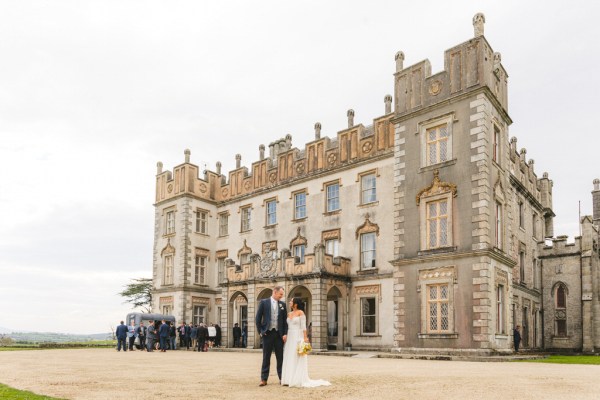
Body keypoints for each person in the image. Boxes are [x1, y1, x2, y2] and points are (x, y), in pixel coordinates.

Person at [281, 297, 330, 388]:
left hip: (297, 336)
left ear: (295, 303)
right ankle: (288, 379)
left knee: (297, 356)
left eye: (291, 301)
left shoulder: (301, 313)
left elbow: (303, 327)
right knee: (289, 356)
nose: (289, 302)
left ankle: (296, 379)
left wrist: (305, 337)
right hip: (290, 336)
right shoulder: (289, 314)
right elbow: (286, 327)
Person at [255, 285, 288, 387]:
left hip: (279, 334)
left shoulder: (282, 304)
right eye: (280, 294)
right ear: (275, 292)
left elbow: (284, 321)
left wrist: (285, 333)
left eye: (282, 295)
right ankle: (263, 379)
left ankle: (282, 378)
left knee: (280, 357)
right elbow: (258, 318)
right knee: (266, 357)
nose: (281, 296)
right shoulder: (264, 302)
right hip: (267, 333)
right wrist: (261, 331)